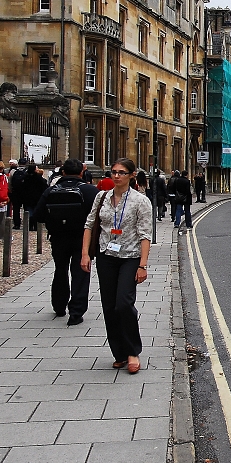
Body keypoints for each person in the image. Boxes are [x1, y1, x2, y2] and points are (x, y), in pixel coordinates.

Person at [81, 158, 152, 375]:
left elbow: (145, 234)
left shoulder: (140, 201)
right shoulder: (101, 197)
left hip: (130, 257)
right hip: (106, 256)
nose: (117, 176)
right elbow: (89, 225)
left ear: (131, 175)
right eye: (114, 172)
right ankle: (119, 353)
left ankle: (133, 351)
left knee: (123, 303)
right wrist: (85, 254)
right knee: (109, 306)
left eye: (122, 172)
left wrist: (143, 265)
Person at [32, 158, 99, 325]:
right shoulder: (90, 190)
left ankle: (59, 305)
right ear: (82, 172)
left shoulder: (51, 190)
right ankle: (76, 312)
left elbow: (38, 215)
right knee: (80, 272)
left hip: (58, 237)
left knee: (60, 270)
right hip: (82, 237)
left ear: (63, 172)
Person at [20, 164, 49, 229]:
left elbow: (22, 188)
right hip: (37, 198)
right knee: (36, 212)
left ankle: (30, 225)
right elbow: (45, 187)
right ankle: (36, 226)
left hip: (27, 198)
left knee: (29, 212)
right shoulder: (39, 178)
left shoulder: (25, 178)